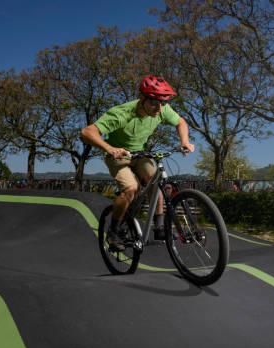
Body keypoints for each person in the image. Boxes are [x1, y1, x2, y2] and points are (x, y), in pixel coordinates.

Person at [81, 75, 194, 251]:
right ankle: (113, 231)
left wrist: (185, 141)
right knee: (131, 189)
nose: (159, 108)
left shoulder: (162, 109)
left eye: (163, 103)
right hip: (118, 155)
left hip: (140, 154)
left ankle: (159, 226)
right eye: (155, 102)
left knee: (156, 180)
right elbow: (87, 132)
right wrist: (109, 148)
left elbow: (180, 122)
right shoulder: (121, 114)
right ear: (142, 98)